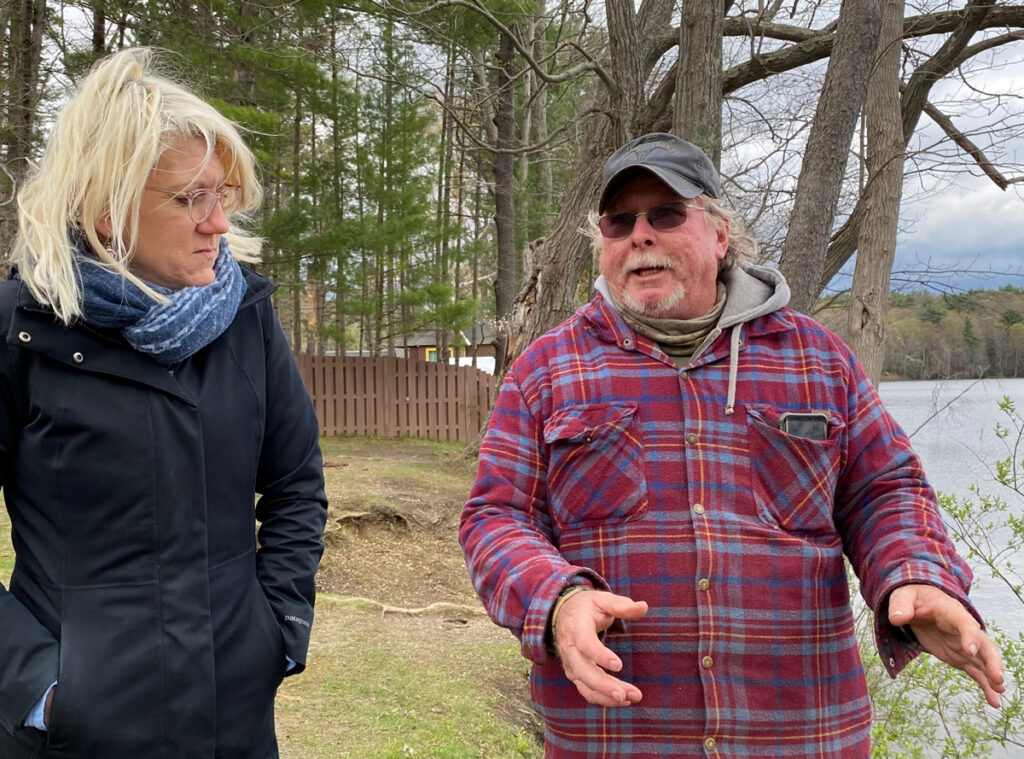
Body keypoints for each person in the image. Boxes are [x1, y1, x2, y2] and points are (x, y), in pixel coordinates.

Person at [460, 132, 1005, 758]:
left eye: (665, 214)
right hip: (615, 738)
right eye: (619, 222)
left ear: (720, 236)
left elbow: (886, 491)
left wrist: (918, 574)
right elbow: (496, 518)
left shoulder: (817, 360)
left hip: (805, 735)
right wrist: (556, 600)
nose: (640, 234)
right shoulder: (545, 373)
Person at [0, 48, 327, 759]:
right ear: (110, 209)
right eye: (191, 198)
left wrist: (272, 631)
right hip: (76, 734)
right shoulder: (22, 326)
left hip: (232, 723)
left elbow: (297, 484)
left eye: (223, 195)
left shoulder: (246, 319)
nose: (218, 222)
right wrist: (34, 683)